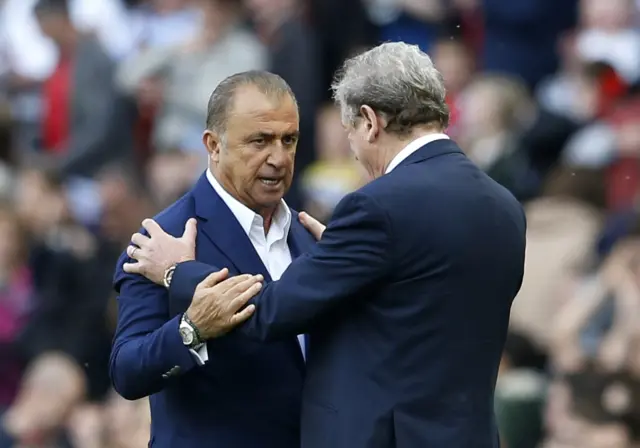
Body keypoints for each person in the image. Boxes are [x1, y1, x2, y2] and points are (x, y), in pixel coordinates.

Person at [127, 42, 527, 447]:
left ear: (370, 122)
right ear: (213, 145)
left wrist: (178, 271)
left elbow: (269, 313)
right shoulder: (505, 206)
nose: (352, 152)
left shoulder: (378, 208)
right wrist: (344, 265)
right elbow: (419, 315)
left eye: (349, 132)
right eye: (260, 141)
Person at [109, 71, 316, 448]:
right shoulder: (162, 240)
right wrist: (191, 329)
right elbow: (127, 371)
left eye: (290, 140)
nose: (279, 157)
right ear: (213, 145)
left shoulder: (307, 233)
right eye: (260, 141)